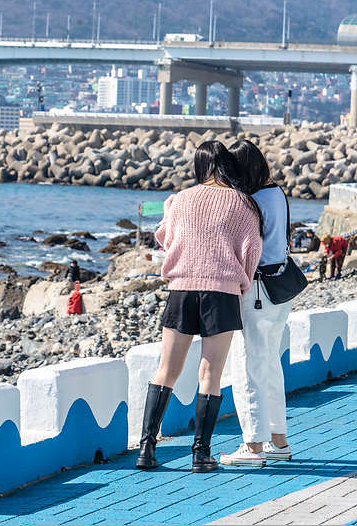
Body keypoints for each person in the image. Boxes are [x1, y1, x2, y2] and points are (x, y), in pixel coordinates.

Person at [136, 140, 263, 473]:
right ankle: (200, 454)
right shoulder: (244, 204)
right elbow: (251, 252)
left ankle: (146, 449)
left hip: (181, 289)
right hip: (221, 294)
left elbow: (164, 237)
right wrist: (242, 283)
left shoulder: (181, 199)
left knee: (167, 370)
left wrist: (170, 213)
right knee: (210, 375)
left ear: (201, 166)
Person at [220, 140, 295, 467]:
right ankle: (278, 441)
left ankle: (253, 447)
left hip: (258, 291)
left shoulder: (248, 202)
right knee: (269, 365)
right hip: (281, 291)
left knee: (247, 366)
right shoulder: (276, 193)